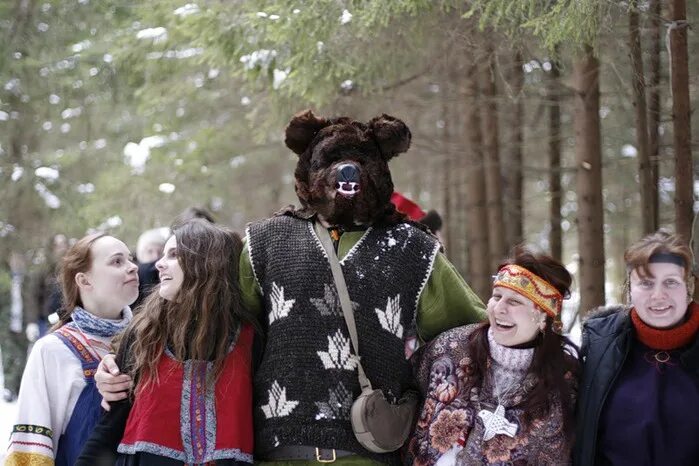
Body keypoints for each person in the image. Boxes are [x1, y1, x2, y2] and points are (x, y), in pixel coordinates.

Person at [94, 110, 485, 465]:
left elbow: (476, 337)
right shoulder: (265, 240)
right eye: (331, 161)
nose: (347, 173)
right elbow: (206, 313)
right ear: (308, 170)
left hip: (371, 450)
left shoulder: (412, 248)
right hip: (277, 450)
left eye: (363, 162)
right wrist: (118, 359)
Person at [77, 219, 258, 465]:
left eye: (173, 255)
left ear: (206, 262)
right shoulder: (145, 334)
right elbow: (109, 429)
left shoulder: (249, 338)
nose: (159, 264)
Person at [407, 249, 579, 465]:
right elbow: (406, 396)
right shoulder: (450, 348)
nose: (499, 308)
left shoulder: (565, 380)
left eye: (515, 302)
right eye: (496, 296)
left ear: (544, 317)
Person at [5, 233, 138, 466]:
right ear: (84, 281)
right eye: (117, 261)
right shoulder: (52, 350)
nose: (133, 267)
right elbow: (31, 447)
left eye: (130, 259)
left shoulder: (150, 343)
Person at [574, 230, 699, 466]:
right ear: (630, 288)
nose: (658, 295)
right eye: (646, 283)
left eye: (671, 282)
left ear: (689, 287)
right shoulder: (599, 345)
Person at [131, 227, 169, 310]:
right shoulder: (131, 276)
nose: (155, 256)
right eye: (150, 251)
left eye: (159, 252)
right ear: (140, 253)